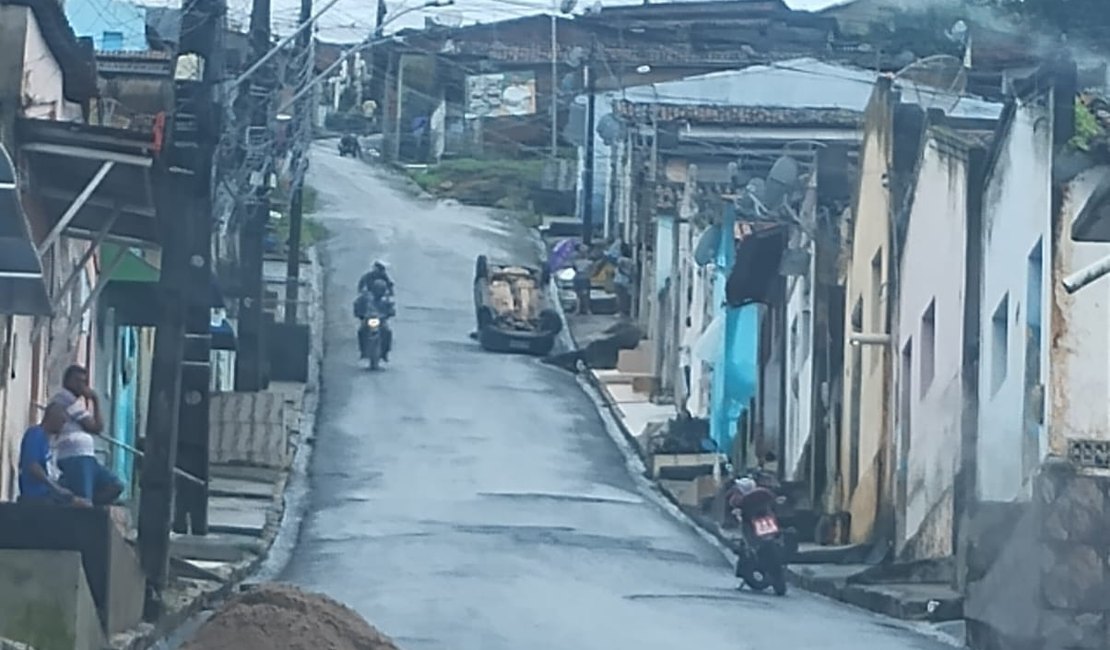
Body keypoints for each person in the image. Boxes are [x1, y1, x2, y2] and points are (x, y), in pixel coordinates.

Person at [51, 365, 124, 506]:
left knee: (115, 485)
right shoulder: (65, 398)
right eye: (77, 381)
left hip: (87, 457)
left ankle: (88, 504)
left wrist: (94, 401)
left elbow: (97, 428)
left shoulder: (76, 403)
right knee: (84, 498)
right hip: (74, 456)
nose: (81, 386)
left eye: (84, 382)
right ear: (67, 381)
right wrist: (95, 399)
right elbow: (95, 427)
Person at [18, 403, 91, 506]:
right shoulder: (35, 434)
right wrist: (55, 487)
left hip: (49, 493)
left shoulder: (47, 440)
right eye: (62, 421)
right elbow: (33, 466)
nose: (63, 425)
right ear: (53, 417)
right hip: (37, 495)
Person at [353, 279, 396, 361]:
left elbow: (391, 309)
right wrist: (359, 313)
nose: (379, 292)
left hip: (381, 321)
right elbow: (357, 305)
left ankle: (385, 352)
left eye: (381, 290)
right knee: (361, 331)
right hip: (368, 319)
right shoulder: (366, 298)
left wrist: (390, 313)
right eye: (377, 289)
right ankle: (362, 350)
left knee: (387, 332)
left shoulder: (386, 300)